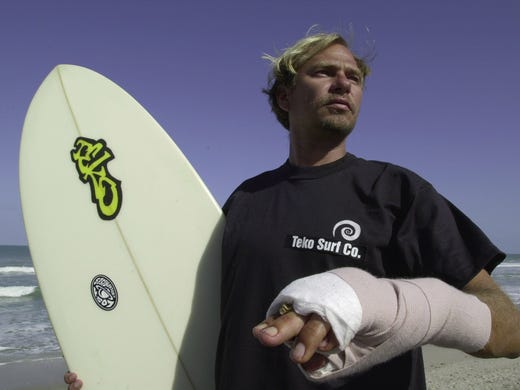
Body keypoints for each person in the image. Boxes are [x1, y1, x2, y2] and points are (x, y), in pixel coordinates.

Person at [65, 31, 520, 390]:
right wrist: (116, 370)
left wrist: (387, 306)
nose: (344, 82)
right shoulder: (245, 200)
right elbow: (196, 319)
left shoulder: (398, 191)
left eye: (354, 77)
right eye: (324, 72)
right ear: (284, 97)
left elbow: (508, 327)